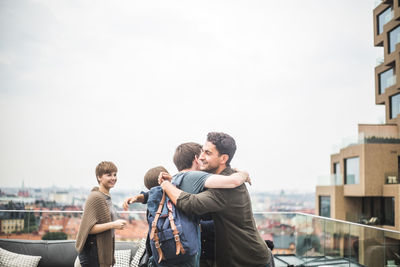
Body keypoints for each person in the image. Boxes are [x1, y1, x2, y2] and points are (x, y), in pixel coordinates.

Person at [124, 142, 250, 267]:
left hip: (166, 249)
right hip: (189, 249)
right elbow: (232, 181)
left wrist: (140, 197)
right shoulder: (196, 178)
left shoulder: (174, 180)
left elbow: (156, 191)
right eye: (202, 155)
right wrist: (243, 174)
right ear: (196, 158)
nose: (203, 159)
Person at [159, 132, 273, 267]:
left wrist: (165, 185)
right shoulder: (223, 178)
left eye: (207, 153)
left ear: (223, 158)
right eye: (202, 151)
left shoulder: (226, 189)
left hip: (249, 260)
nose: (201, 157)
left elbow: (191, 203)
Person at [76, 161, 127, 267]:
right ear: (99, 177)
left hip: (99, 252)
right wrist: (114, 224)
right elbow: (88, 229)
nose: (113, 178)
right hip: (92, 253)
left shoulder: (106, 197)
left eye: (115, 174)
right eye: (109, 175)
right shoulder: (96, 197)